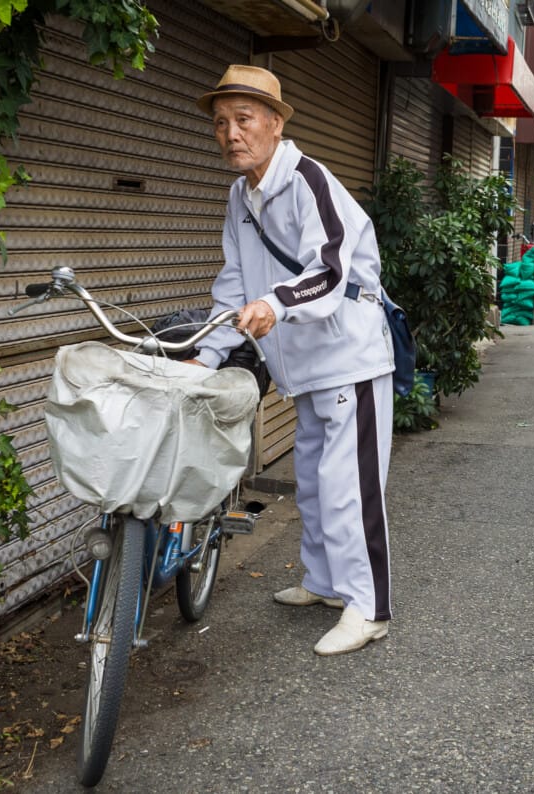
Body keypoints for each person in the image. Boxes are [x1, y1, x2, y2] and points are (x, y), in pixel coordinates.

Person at [190, 65, 394, 656]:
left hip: (348, 357)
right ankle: (327, 584)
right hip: (302, 366)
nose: (231, 133)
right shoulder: (241, 195)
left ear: (276, 124)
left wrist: (274, 304)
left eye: (244, 120)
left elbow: (328, 270)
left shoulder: (309, 180)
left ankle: (369, 607)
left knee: (350, 487)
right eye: (221, 122)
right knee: (313, 483)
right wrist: (207, 355)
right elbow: (233, 282)